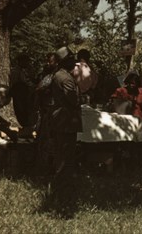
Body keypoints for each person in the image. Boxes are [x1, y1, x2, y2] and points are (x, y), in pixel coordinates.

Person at [47, 46, 81, 214]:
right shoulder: (66, 78)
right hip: (66, 121)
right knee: (65, 159)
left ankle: (60, 191)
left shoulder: (58, 75)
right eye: (72, 59)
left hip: (60, 120)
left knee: (62, 157)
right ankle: (62, 194)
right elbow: (73, 100)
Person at [9, 52, 37, 138]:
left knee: (29, 111)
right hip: (19, 94)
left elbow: (32, 80)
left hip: (29, 93)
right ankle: (25, 128)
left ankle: (28, 129)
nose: (26, 63)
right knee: (20, 111)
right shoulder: (15, 71)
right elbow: (14, 83)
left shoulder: (30, 70)